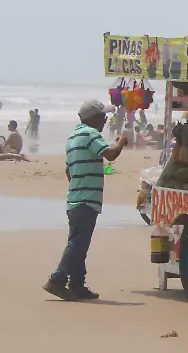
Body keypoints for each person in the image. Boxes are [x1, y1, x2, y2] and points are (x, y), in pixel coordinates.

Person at [43, 100, 129, 301]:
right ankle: (58, 278)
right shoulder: (90, 135)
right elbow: (110, 154)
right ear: (93, 118)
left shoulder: (73, 137)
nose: (106, 120)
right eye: (103, 116)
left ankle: (77, 284)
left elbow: (68, 171)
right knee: (78, 243)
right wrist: (121, 142)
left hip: (74, 197)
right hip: (86, 199)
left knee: (79, 243)